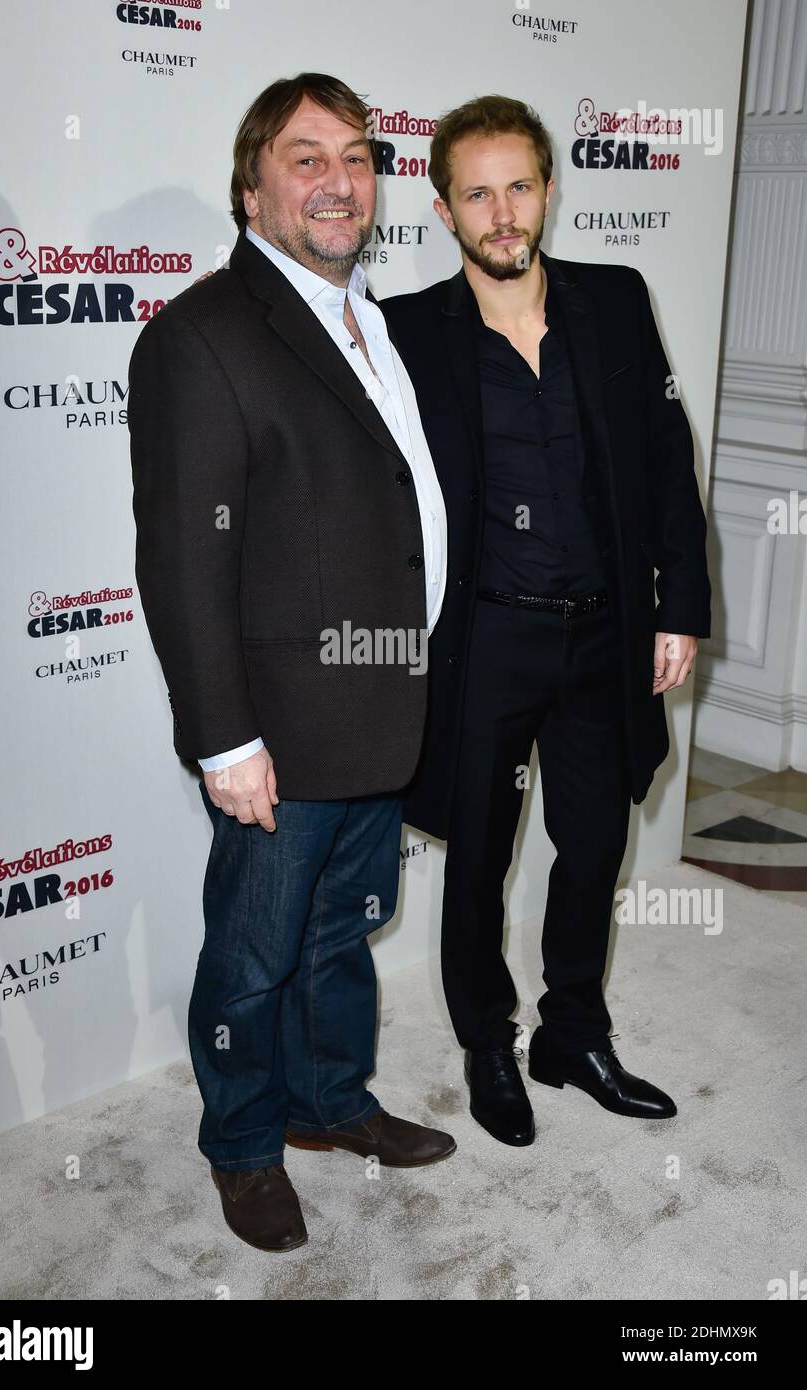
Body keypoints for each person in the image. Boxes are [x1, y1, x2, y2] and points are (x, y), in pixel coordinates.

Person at [128, 72, 453, 1253]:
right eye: (305, 158)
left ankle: (328, 1101)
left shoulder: (371, 319)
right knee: (254, 953)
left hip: (382, 697)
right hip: (280, 724)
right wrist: (224, 738)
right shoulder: (200, 337)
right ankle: (242, 1143)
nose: (338, 181)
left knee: (339, 933)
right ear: (251, 188)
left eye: (356, 157)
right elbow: (182, 557)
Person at [380, 95, 712, 1146]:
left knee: (595, 843)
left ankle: (573, 1033)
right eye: (477, 194)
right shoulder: (405, 333)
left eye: (518, 185)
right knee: (476, 859)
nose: (502, 212)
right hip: (486, 640)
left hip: (605, 634)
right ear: (444, 211)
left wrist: (677, 604)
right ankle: (486, 1041)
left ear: (549, 189)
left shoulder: (613, 300)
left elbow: (665, 458)